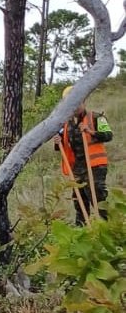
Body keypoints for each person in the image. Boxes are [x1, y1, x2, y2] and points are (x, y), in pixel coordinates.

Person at [53, 85, 113, 225]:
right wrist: (57, 141)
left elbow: (109, 135)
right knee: (79, 200)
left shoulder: (97, 117)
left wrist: (90, 132)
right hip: (77, 168)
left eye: (77, 103)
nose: (75, 107)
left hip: (95, 166)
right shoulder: (65, 125)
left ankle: (106, 228)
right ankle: (81, 229)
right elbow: (60, 145)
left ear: (83, 101)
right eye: (71, 104)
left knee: (97, 198)